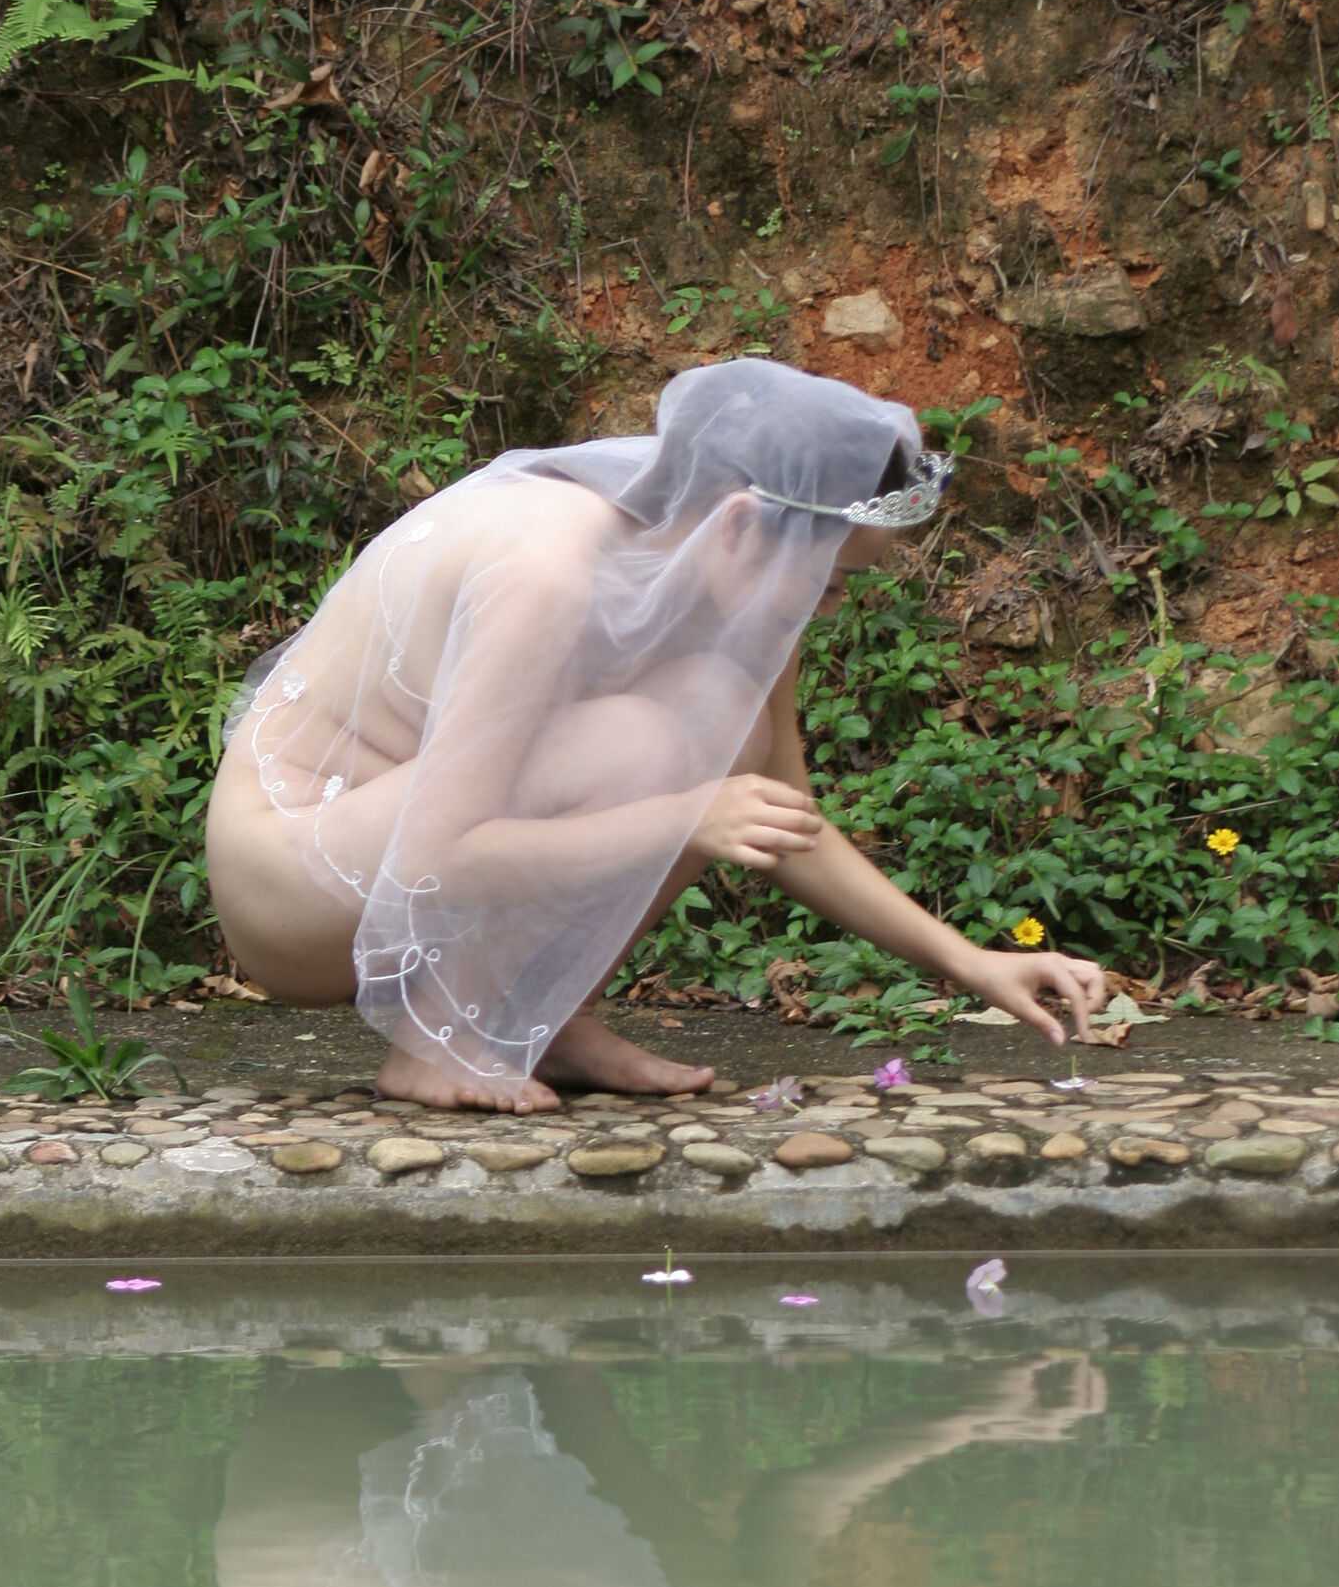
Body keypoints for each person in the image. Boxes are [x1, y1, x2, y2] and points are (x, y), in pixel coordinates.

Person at [206, 358, 1106, 1113]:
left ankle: (534, 1019)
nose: (830, 607)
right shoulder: (547, 573)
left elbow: (781, 815)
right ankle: (437, 1042)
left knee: (723, 728)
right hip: (291, 880)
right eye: (830, 581)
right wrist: (684, 817)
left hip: (405, 848)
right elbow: (439, 857)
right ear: (742, 523)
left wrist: (970, 962)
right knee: (644, 745)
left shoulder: (737, 559)